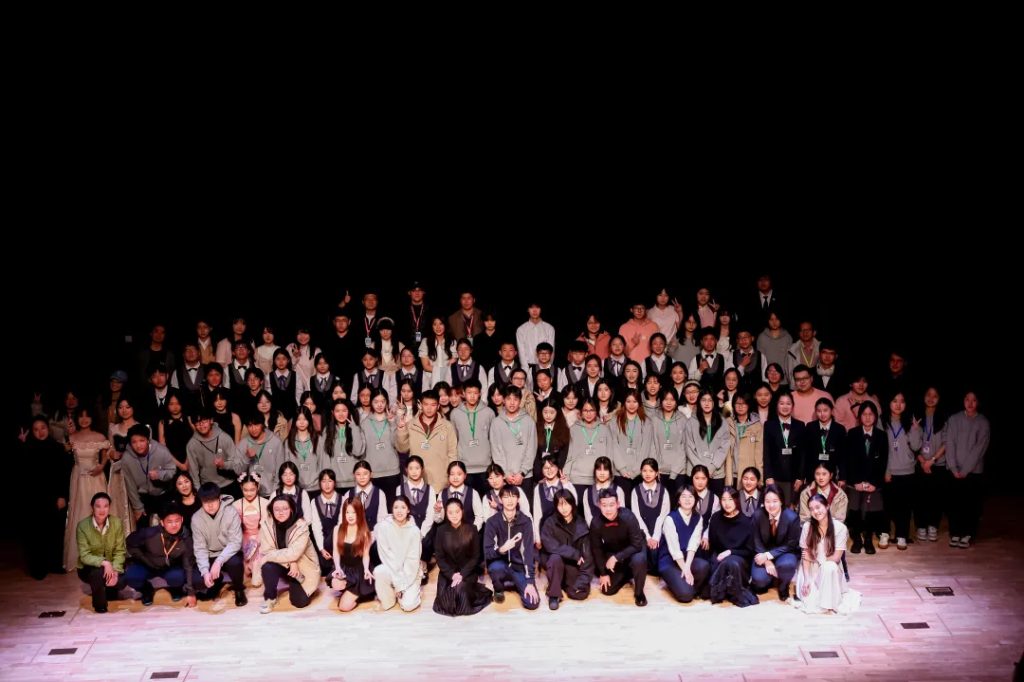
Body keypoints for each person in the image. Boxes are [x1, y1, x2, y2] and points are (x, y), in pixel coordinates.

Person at [24, 416, 72, 579]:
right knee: (37, 533)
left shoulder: (57, 448)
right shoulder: (27, 449)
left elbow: (63, 474)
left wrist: (62, 496)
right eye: (36, 429)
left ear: (48, 428)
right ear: (32, 432)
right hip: (34, 498)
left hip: (54, 497)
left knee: (54, 531)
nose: (40, 432)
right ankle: (38, 568)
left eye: (43, 427)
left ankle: (54, 564)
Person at [794, 494, 859, 614]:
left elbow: (836, 557)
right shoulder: (807, 527)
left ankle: (828, 603)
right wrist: (807, 579)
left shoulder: (840, 528)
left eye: (818, 507)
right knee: (810, 600)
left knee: (829, 566)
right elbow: (805, 557)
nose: (815, 511)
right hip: (811, 570)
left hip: (830, 567)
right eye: (811, 509)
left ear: (827, 506)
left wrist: (815, 559)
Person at [125, 502, 197, 607]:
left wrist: (190, 593)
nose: (174, 525)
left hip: (169, 567)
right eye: (169, 522)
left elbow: (188, 565)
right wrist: (142, 558)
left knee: (178, 576)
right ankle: (146, 590)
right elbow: (129, 542)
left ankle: (175, 589)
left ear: (182, 519)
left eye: (177, 520)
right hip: (147, 565)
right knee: (132, 576)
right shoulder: (149, 533)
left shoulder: (186, 539)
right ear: (162, 522)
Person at [256, 495, 321, 613]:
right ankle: (270, 598)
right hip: (284, 564)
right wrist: (291, 562)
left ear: (291, 509)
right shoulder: (266, 525)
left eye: (285, 508)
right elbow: (267, 550)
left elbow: (294, 553)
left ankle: (295, 583)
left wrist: (293, 561)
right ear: (271, 510)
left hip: (303, 567)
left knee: (300, 602)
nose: (281, 512)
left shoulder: (301, 526)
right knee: (267, 566)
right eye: (276, 509)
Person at [64, 408, 110, 572]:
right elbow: (64, 454)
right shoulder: (72, 437)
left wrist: (101, 467)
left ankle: (101, 554)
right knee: (80, 511)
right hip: (79, 479)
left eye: (87, 416)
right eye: (81, 416)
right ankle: (81, 556)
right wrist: (67, 438)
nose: (84, 419)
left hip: (95, 477)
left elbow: (105, 456)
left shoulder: (100, 437)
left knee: (98, 512)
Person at [433, 497, 493, 616]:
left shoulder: (472, 529)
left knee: (460, 592)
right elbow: (439, 557)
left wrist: (461, 575)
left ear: (462, 511)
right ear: (446, 513)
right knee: (446, 602)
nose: (454, 515)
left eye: (457, 512)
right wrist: (452, 575)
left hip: (467, 572)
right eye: (450, 512)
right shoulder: (441, 531)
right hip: (447, 572)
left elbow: (475, 556)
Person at [945, 391, 990, 549]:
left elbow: (979, 449)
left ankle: (968, 533)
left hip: (973, 471)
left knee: (971, 504)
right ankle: (955, 533)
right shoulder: (954, 419)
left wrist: (965, 470)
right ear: (963, 401)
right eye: (967, 399)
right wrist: (953, 468)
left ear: (978, 402)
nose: (970, 403)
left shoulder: (983, 422)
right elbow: (950, 443)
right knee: (955, 503)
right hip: (954, 470)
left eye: (974, 400)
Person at [483, 485, 539, 610]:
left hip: (519, 567)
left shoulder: (526, 521)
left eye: (513, 496)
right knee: (495, 568)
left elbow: (529, 553)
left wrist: (530, 582)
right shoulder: (492, 522)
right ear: (500, 500)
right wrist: (502, 549)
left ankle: (516, 582)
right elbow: (487, 553)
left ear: (518, 499)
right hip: (500, 564)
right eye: (506, 497)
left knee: (532, 603)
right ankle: (499, 588)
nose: (510, 500)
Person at [190, 483, 246, 605]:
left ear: (220, 498)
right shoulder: (196, 519)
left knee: (235, 563)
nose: (210, 505)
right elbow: (200, 548)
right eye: (206, 502)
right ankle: (216, 581)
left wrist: (219, 561)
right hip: (210, 554)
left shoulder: (231, 512)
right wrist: (205, 571)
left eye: (213, 501)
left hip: (229, 552)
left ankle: (239, 589)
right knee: (197, 580)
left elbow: (235, 542)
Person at [590, 489, 648, 606]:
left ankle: (639, 592)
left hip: (633, 549)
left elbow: (637, 544)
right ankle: (627, 573)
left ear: (617, 504)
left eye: (611, 505)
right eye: (604, 505)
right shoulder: (596, 522)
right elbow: (597, 549)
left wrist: (616, 558)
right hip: (614, 550)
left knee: (639, 560)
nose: (608, 509)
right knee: (607, 590)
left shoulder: (628, 516)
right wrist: (603, 573)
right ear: (599, 506)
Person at [846, 401, 887, 554]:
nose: (868, 417)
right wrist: (857, 482)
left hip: (873, 482)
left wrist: (874, 483)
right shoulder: (852, 433)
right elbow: (850, 460)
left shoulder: (881, 435)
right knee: (855, 510)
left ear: (875, 416)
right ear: (859, 416)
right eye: (864, 414)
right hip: (855, 482)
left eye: (871, 414)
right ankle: (856, 539)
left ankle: (868, 538)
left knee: (871, 512)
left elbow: (882, 462)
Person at [883, 392, 923, 550]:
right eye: (894, 401)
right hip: (889, 471)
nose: (898, 405)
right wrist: (886, 470)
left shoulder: (911, 422)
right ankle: (885, 533)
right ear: (889, 403)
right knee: (887, 505)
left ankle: (902, 535)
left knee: (905, 506)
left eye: (902, 401)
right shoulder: (882, 421)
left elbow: (916, 446)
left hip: (907, 471)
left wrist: (915, 429)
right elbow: (881, 449)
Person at [704, 487, 757, 607]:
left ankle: (725, 590)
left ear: (736, 500)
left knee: (731, 563)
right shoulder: (716, 518)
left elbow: (749, 551)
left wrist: (730, 552)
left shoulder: (745, 522)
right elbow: (713, 546)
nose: (727, 503)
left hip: (738, 560)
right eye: (723, 499)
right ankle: (725, 587)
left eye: (730, 499)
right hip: (719, 557)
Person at [540, 489, 592, 609]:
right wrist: (573, 553)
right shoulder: (550, 522)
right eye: (560, 504)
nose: (564, 508)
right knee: (555, 557)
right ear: (556, 506)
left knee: (579, 594)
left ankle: (559, 582)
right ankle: (554, 594)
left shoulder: (581, 524)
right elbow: (548, 544)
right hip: (554, 561)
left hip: (571, 564)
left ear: (572, 504)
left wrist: (582, 582)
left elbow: (587, 556)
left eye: (567, 503)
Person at [396, 389, 457, 491]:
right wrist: (401, 431)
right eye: (426, 404)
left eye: (433, 405)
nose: (429, 408)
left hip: (440, 481)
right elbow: (402, 449)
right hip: (417, 480)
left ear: (438, 406)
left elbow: (452, 453)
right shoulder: (411, 425)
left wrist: (452, 475)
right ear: (420, 405)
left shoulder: (447, 426)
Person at [76, 493, 127, 613]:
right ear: (92, 507)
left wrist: (115, 570)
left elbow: (120, 551)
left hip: (111, 565)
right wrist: (105, 563)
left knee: (122, 580)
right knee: (98, 573)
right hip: (89, 568)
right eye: (98, 506)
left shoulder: (116, 523)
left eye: (106, 506)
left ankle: (109, 588)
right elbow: (84, 556)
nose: (102, 510)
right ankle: (100, 605)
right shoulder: (82, 526)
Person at [658, 485, 710, 604]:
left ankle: (685, 584)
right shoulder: (670, 519)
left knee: (704, 566)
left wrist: (687, 567)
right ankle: (674, 582)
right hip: (669, 561)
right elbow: (674, 549)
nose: (687, 499)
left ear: (695, 499)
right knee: (686, 596)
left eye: (691, 496)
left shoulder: (698, 518)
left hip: (687, 560)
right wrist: (686, 571)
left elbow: (693, 545)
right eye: (684, 496)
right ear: (678, 500)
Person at [750, 484, 801, 601]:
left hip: (785, 552)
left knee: (788, 565)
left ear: (781, 501)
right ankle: (769, 579)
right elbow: (756, 540)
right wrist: (767, 560)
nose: (771, 505)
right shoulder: (758, 515)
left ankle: (783, 585)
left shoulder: (792, 517)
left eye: (775, 501)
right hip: (763, 551)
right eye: (767, 501)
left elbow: (791, 545)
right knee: (759, 580)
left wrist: (768, 555)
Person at [373, 495, 423, 612]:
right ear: (392, 509)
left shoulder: (414, 531)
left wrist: (402, 585)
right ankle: (393, 595)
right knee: (379, 571)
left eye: (403, 507)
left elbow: (412, 561)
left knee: (408, 606)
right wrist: (398, 584)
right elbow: (386, 556)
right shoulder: (383, 527)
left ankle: (412, 592)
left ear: (408, 510)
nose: (399, 511)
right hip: (391, 569)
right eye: (396, 507)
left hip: (410, 573)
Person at [122, 424, 177, 527]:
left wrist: (160, 474)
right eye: (134, 442)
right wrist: (137, 508)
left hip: (163, 495)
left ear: (148, 440)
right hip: (143, 499)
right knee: (145, 532)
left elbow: (172, 471)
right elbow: (130, 485)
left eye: (142, 440)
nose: (138, 445)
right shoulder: (126, 458)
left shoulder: (161, 451)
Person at [490, 384, 538, 500]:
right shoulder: (496, 422)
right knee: (506, 508)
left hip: (525, 476)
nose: (512, 403)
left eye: (515, 399)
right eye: (508, 399)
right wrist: (505, 473)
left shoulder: (529, 421)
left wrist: (522, 472)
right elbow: (496, 451)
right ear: (503, 400)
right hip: (505, 476)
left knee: (526, 508)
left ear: (520, 401)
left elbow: (531, 449)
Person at [329, 498, 377, 612]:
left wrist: (366, 569)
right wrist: (338, 568)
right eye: (347, 512)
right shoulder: (337, 529)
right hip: (345, 568)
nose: (350, 516)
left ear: (359, 513)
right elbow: (336, 551)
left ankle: (363, 593)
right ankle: (350, 591)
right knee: (335, 584)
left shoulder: (364, 533)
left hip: (358, 571)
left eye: (353, 512)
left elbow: (366, 555)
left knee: (344, 607)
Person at [914, 386, 948, 543]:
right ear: (923, 396)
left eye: (935, 396)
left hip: (938, 463)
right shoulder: (916, 416)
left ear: (939, 399)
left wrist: (932, 460)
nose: (931, 398)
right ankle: (921, 526)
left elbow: (946, 442)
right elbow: (911, 441)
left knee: (936, 498)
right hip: (920, 463)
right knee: (920, 497)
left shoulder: (944, 418)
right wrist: (922, 461)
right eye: (928, 395)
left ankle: (933, 526)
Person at [762, 392, 806, 510]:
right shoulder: (769, 425)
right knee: (776, 507)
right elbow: (766, 452)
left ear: (793, 405)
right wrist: (768, 476)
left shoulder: (800, 425)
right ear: (777, 405)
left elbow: (802, 453)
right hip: (775, 476)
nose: (785, 406)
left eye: (788, 403)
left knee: (791, 509)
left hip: (794, 477)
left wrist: (800, 477)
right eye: (782, 403)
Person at [685, 390, 731, 497]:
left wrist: (712, 467)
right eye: (703, 400)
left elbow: (724, 447)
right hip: (695, 472)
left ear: (714, 403)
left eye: (710, 400)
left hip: (715, 472)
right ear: (699, 402)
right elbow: (689, 448)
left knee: (715, 503)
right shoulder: (691, 422)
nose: (707, 403)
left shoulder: (722, 422)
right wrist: (702, 470)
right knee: (693, 502)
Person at [187, 409, 240, 499]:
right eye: (197, 423)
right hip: (208, 486)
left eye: (204, 421)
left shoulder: (224, 438)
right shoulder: (191, 445)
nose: (201, 425)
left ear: (211, 420)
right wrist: (199, 492)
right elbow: (193, 471)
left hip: (228, 483)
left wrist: (223, 465)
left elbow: (235, 463)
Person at [611, 389, 654, 499]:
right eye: (628, 401)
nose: (631, 405)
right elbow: (613, 446)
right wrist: (622, 469)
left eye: (635, 401)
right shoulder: (615, 421)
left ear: (639, 403)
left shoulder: (646, 422)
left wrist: (637, 469)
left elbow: (646, 447)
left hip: (639, 472)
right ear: (624, 403)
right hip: (619, 473)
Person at [631, 458, 670, 575]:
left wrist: (656, 537)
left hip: (659, 532)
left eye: (651, 471)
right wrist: (648, 537)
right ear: (641, 472)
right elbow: (636, 516)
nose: (647, 474)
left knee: (656, 554)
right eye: (644, 471)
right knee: (640, 559)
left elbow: (663, 515)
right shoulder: (636, 491)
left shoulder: (663, 491)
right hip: (641, 532)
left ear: (657, 473)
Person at [231, 473, 269, 587]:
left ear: (258, 487)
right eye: (245, 490)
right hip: (244, 536)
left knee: (257, 553)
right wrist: (246, 541)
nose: (249, 493)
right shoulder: (236, 505)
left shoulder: (265, 503)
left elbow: (265, 527)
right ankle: (247, 569)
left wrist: (255, 542)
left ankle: (257, 572)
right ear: (241, 488)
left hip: (261, 536)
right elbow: (235, 528)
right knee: (244, 559)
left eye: (252, 490)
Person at [320, 399, 365, 494]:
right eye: (337, 411)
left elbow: (358, 452)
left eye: (344, 411)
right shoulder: (327, 431)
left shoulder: (356, 429)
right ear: (332, 412)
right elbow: (325, 458)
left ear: (349, 412)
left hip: (354, 482)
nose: (341, 414)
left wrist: (354, 429)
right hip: (334, 483)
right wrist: (328, 479)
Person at [234, 414, 285, 498]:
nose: (253, 429)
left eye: (256, 425)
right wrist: (247, 457)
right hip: (251, 494)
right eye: (250, 425)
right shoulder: (243, 444)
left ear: (262, 424)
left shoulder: (276, 442)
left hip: (272, 493)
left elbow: (280, 469)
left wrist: (275, 492)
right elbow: (237, 470)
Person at [804, 398, 847, 486]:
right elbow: (806, 453)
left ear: (832, 411)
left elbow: (843, 455)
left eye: (825, 410)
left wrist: (843, 477)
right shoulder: (810, 427)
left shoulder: (839, 429)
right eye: (819, 411)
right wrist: (803, 475)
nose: (822, 414)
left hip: (832, 473)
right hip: (813, 474)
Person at [434, 460, 485, 532]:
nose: (455, 477)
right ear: (448, 476)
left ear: (465, 475)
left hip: (468, 534)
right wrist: (438, 512)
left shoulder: (473, 493)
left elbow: (479, 516)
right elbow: (438, 520)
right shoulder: (442, 493)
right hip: (448, 535)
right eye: (452, 474)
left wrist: (472, 532)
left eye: (459, 474)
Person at [728, 393, 763, 487]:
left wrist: (760, 477)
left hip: (749, 474)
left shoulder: (757, 425)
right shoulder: (728, 423)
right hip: (732, 472)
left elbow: (759, 454)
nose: (740, 406)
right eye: (737, 403)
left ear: (749, 405)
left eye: (744, 403)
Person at [346, 462, 389, 538]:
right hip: (353, 538)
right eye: (358, 474)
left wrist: (371, 538)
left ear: (371, 474)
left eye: (365, 474)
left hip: (374, 538)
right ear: (354, 475)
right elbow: (344, 520)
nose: (362, 477)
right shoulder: (348, 494)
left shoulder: (379, 493)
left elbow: (382, 521)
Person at [266, 348, 304, 423]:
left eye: (284, 359)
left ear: (288, 360)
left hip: (293, 413)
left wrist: (299, 412)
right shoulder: (268, 377)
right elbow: (268, 397)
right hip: (275, 414)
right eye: (278, 359)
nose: (281, 362)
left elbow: (299, 395)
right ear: (274, 361)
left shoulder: (295, 376)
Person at [325, 310, 362, 385]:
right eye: (338, 320)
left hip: (352, 380)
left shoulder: (357, 340)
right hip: (331, 379)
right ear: (334, 322)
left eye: (344, 320)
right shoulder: (328, 340)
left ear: (349, 322)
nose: (341, 323)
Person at [158, 394, 192, 473]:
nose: (175, 407)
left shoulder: (188, 419)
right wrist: (179, 465)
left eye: (178, 403)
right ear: (167, 405)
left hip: (190, 457)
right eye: (171, 404)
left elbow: (196, 439)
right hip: (171, 460)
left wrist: (187, 461)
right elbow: (162, 446)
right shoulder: (162, 422)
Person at [515, 302, 555, 369]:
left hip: (545, 366)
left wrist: (548, 368)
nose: (534, 311)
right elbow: (521, 352)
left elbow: (551, 351)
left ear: (541, 309)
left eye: (537, 307)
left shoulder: (549, 328)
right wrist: (526, 369)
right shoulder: (521, 330)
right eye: (531, 308)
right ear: (528, 309)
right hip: (528, 366)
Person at [171, 341, 205, 415]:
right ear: (183, 355)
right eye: (187, 350)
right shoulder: (177, 372)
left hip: (206, 412)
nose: (190, 352)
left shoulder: (208, 369)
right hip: (184, 413)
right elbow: (175, 394)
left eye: (193, 350)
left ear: (199, 353)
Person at [756, 312, 792, 380]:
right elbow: (761, 361)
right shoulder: (762, 337)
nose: (774, 322)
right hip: (767, 379)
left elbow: (789, 361)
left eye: (777, 319)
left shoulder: (787, 338)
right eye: (771, 319)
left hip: (784, 379)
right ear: (768, 320)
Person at [733, 328, 768, 394]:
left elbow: (765, 378)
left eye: (746, 337)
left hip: (757, 395)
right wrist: (742, 365)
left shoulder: (761, 356)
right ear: (737, 341)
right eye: (740, 338)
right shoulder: (732, 356)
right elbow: (731, 378)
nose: (743, 340)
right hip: (738, 395)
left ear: (752, 338)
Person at [785, 320, 820, 386]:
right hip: (799, 388)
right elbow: (789, 374)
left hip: (818, 387)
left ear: (814, 332)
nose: (805, 332)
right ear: (799, 333)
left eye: (808, 330)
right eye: (802, 330)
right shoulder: (792, 350)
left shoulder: (822, 348)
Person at [399, 281, 431, 350]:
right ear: (409, 292)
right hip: (407, 350)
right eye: (414, 290)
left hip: (427, 349)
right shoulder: (402, 312)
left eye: (420, 290)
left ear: (424, 292)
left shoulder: (431, 310)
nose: (417, 293)